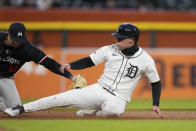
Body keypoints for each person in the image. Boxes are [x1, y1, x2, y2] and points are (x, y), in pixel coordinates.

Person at [4, 23, 164, 118]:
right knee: (61, 99)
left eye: (119, 38)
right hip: (98, 90)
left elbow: (155, 82)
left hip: (119, 98)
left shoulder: (146, 60)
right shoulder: (108, 49)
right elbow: (89, 61)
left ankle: (90, 113)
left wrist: (155, 104)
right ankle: (21, 109)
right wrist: (71, 65)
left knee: (113, 111)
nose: (115, 39)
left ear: (131, 41)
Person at [0, 22, 76, 112]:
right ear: (8, 34)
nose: (16, 43)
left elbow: (49, 63)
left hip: (6, 77)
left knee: (13, 108)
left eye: (19, 40)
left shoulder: (28, 49)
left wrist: (71, 76)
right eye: (14, 40)